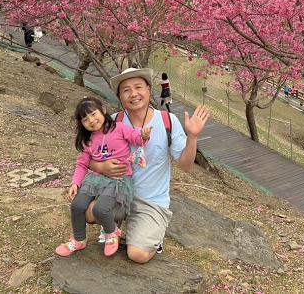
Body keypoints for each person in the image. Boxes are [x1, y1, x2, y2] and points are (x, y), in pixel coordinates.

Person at [85, 67, 210, 263]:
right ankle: (114, 225)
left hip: (151, 201)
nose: (133, 94)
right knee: (88, 213)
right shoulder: (112, 122)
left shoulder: (167, 121)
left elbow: (185, 166)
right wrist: (102, 167)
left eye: (138, 87)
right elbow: (88, 157)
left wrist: (192, 136)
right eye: (126, 90)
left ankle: (153, 237)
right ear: (119, 96)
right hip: (118, 194)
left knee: (137, 255)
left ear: (149, 89)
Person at [56, 97, 152, 257]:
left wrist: (144, 135)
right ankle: (79, 239)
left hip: (118, 181)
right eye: (86, 120)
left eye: (94, 114)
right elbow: (82, 164)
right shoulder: (88, 140)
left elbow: (136, 138)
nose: (92, 121)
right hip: (94, 180)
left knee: (101, 208)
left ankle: (112, 233)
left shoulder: (120, 128)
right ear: (82, 124)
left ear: (103, 110)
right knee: (77, 206)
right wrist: (75, 183)